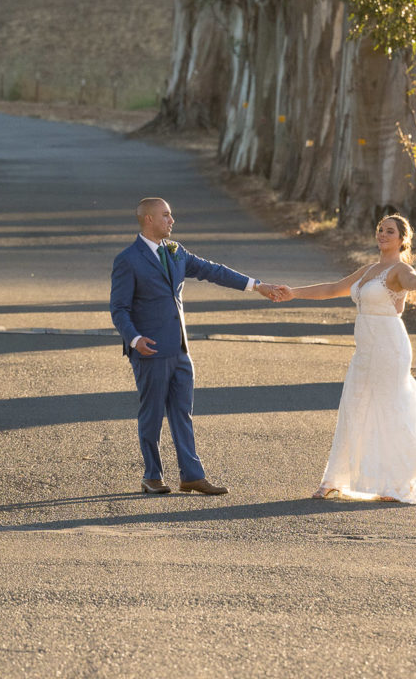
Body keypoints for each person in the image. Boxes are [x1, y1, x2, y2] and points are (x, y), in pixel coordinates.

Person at [109, 196, 288, 496]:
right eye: (166, 215)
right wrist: (135, 339)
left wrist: (257, 286)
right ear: (148, 219)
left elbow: (213, 271)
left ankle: (191, 475)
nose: (172, 221)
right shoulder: (128, 259)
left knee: (182, 412)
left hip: (180, 348)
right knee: (152, 413)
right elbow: (119, 308)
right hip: (149, 349)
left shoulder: (177, 252)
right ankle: (152, 475)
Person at [276, 213, 416, 504]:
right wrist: (293, 293)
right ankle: (334, 480)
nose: (383, 235)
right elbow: (332, 289)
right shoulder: (368, 270)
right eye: (380, 230)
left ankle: (396, 482)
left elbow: (411, 279)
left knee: (389, 406)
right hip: (365, 348)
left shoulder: (400, 270)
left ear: (402, 239)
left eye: (389, 231)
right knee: (354, 405)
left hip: (390, 347)